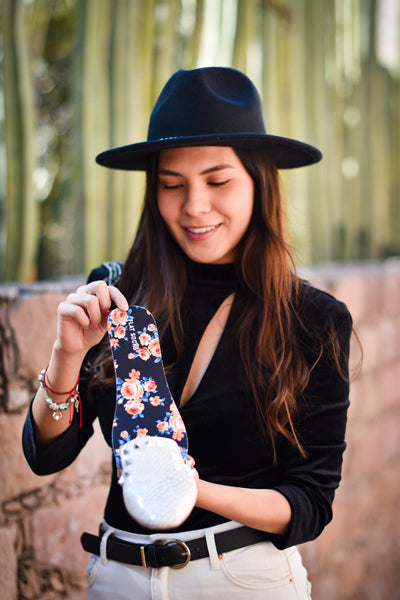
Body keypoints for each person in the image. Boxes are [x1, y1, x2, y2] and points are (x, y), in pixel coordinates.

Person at [23, 67, 353, 599]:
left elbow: (309, 503)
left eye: (218, 181)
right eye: (171, 185)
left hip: (243, 580)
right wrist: (66, 356)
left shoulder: (313, 319)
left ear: (259, 182)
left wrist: (189, 490)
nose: (194, 206)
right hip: (116, 579)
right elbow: (46, 456)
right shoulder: (117, 297)